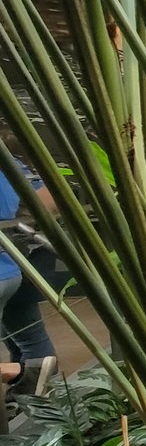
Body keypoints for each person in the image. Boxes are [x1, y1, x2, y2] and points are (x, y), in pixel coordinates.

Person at [0, 165, 58, 404]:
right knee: (28, 337)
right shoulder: (8, 160)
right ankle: (28, 399)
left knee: (27, 339)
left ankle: (18, 373)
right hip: (12, 264)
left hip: (16, 262)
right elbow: (49, 198)